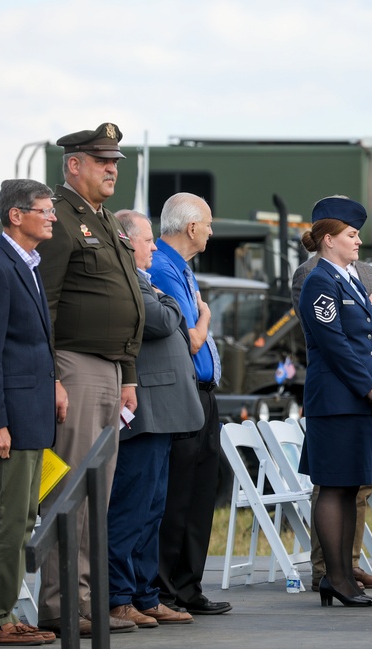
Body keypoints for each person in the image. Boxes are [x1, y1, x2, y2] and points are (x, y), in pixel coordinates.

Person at [36, 122, 144, 636]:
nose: (112, 169)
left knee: (96, 493)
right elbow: (45, 304)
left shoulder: (105, 222)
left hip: (108, 368)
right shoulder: (59, 218)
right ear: (73, 164)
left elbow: (124, 305)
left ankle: (86, 598)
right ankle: (60, 605)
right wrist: (49, 375)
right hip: (73, 365)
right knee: (70, 490)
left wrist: (128, 375)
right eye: (102, 161)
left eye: (116, 162)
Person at [0, 179, 59, 646]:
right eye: (44, 210)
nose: (53, 217)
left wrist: (54, 384)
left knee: (22, 518)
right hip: (10, 419)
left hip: (31, 411)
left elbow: (31, 343)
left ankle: (1, 613)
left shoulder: (27, 265)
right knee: (9, 516)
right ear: (16, 216)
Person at [106, 210, 202, 630]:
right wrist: (169, 303)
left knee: (152, 511)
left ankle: (145, 595)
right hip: (144, 412)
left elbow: (167, 312)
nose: (152, 247)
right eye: (147, 241)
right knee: (131, 509)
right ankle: (118, 596)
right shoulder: (127, 281)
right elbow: (165, 317)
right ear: (127, 242)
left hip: (163, 412)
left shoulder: (145, 280)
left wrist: (167, 303)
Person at [296, 196, 372, 607]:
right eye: (352, 235)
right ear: (329, 239)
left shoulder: (350, 279)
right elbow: (333, 344)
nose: (358, 242)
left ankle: (343, 578)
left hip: (359, 401)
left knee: (351, 487)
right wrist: (368, 387)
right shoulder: (321, 281)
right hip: (336, 401)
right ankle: (334, 577)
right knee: (333, 488)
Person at [149, 193, 231, 615]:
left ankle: (187, 586)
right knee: (177, 495)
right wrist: (205, 319)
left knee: (200, 491)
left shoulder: (179, 268)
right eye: (209, 224)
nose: (212, 232)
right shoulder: (162, 268)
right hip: (182, 394)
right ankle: (166, 589)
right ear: (192, 228)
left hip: (202, 392)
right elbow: (187, 337)